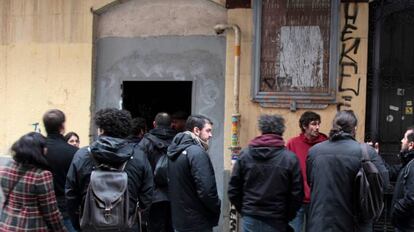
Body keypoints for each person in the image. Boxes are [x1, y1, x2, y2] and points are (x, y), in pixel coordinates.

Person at [65, 108, 153, 231]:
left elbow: (71, 195)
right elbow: (147, 197)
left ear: (101, 130)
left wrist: (78, 223)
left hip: (91, 225)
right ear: (125, 130)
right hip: (127, 226)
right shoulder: (139, 157)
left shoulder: (82, 155)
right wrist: (138, 221)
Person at [306, 110, 389, 232]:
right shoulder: (366, 152)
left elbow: (311, 182)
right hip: (355, 224)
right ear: (354, 128)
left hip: (320, 223)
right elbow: (384, 183)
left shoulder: (314, 151)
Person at [228, 114, 303, 232]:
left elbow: (233, 189)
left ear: (262, 130)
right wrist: (288, 215)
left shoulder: (245, 155)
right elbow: (297, 194)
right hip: (277, 218)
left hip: (251, 216)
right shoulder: (290, 158)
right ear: (281, 131)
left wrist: (244, 210)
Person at [0, 132, 67, 231]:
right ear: (38, 150)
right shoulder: (41, 175)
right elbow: (51, 213)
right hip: (31, 227)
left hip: (6, 225)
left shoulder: (6, 168)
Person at [167, 114, 221, 232]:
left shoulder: (175, 151)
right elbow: (207, 191)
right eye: (208, 131)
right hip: (197, 222)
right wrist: (217, 205)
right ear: (196, 130)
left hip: (179, 220)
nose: (210, 135)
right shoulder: (197, 153)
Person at [286, 111, 327, 232]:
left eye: (319, 124)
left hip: (318, 200)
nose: (317, 127)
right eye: (314, 124)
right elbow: (286, 170)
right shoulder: (292, 143)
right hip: (297, 200)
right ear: (304, 126)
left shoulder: (325, 143)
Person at [139, 112, 176, 232]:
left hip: (152, 196)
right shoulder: (178, 141)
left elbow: (139, 169)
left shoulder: (145, 143)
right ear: (171, 125)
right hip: (175, 195)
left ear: (154, 124)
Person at [43, 109, 78, 231]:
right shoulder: (74, 152)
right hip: (66, 208)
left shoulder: (37, 150)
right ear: (62, 126)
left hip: (41, 208)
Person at [391, 126, 414, 231]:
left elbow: (411, 198)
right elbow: (390, 171)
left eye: (404, 138)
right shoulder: (408, 163)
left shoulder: (412, 165)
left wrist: (396, 210)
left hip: (407, 226)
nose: (401, 140)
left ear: (411, 144)